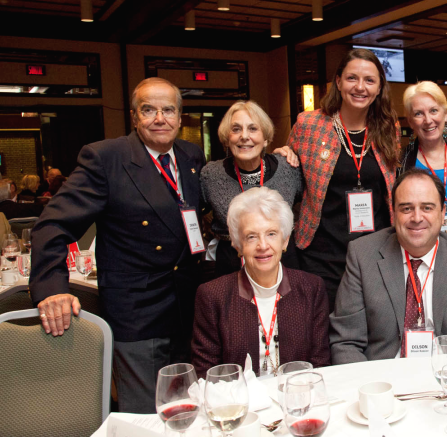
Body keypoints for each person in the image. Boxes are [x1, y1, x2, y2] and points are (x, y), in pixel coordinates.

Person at [29, 77, 206, 413]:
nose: (160, 118)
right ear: (134, 117)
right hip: (139, 313)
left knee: (188, 410)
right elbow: (52, 225)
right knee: (145, 416)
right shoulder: (106, 158)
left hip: (187, 308)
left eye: (168, 110)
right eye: (148, 110)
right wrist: (52, 287)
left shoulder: (190, 155)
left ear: (180, 118)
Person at [330, 168, 447, 364]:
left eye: (427, 208)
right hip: (383, 382)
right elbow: (346, 343)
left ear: (443, 212)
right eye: (406, 208)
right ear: (393, 213)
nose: (417, 218)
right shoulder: (362, 256)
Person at [284, 48, 400, 309]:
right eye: (352, 78)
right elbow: (289, 176)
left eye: (370, 80)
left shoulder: (388, 125)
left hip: (377, 253)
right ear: (338, 82)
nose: (360, 87)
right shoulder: (309, 124)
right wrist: (283, 154)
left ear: (380, 87)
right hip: (323, 257)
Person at [192, 188, 330, 375]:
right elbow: (207, 374)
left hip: (296, 397)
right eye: (251, 237)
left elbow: (320, 365)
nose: (263, 246)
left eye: (271, 234)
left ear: (285, 241)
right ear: (237, 245)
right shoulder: (212, 296)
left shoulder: (311, 288)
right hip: (239, 402)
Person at [200, 100, 302, 277]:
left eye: (253, 129)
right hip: (231, 266)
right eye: (236, 129)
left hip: (283, 264)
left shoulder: (288, 169)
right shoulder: (211, 175)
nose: (244, 136)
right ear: (227, 138)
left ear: (266, 139)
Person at [399, 81, 447, 246]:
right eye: (419, 114)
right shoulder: (401, 163)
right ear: (410, 121)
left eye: (434, 110)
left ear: (445, 114)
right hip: (423, 263)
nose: (428, 120)